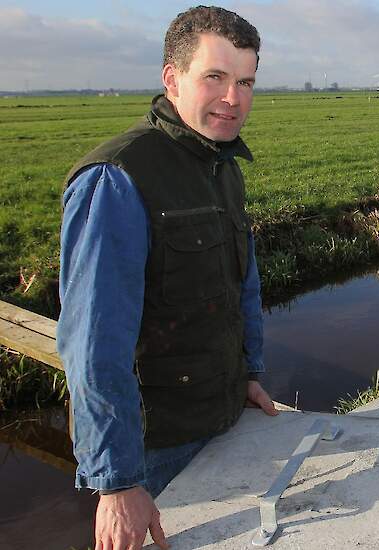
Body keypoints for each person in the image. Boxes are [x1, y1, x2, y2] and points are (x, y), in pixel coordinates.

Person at [57, 6, 278, 549]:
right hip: (154, 449)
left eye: (245, 81)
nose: (233, 98)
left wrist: (247, 373)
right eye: (216, 77)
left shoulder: (221, 166)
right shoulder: (118, 179)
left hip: (223, 416)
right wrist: (117, 483)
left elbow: (239, 286)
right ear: (171, 79)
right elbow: (92, 346)